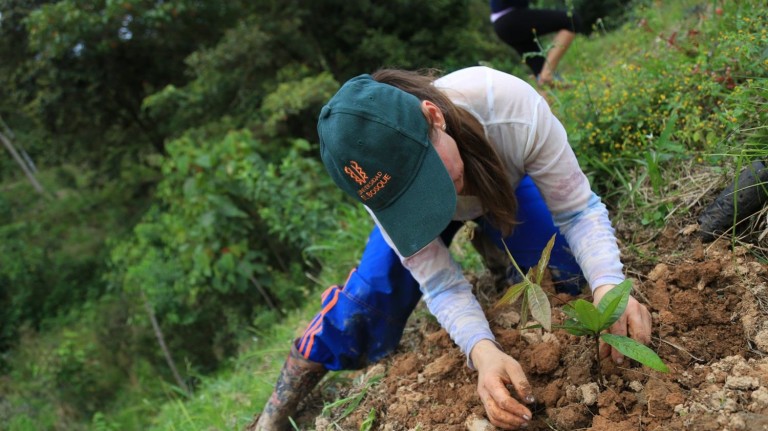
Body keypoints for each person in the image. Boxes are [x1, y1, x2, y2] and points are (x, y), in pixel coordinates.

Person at [249, 66, 652, 430]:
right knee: (370, 303)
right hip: (424, 216)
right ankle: (295, 376)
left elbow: (578, 211)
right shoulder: (376, 184)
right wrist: (483, 353)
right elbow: (440, 285)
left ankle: (493, 242)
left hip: (502, 191)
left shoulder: (507, 109)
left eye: (425, 178)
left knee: (566, 275)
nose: (430, 203)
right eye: (408, 199)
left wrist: (608, 286)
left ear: (433, 116)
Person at [490, 0, 585, 87]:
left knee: (539, 72)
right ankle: (548, 73)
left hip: (501, 24)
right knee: (571, 20)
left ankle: (545, 98)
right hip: (510, 18)